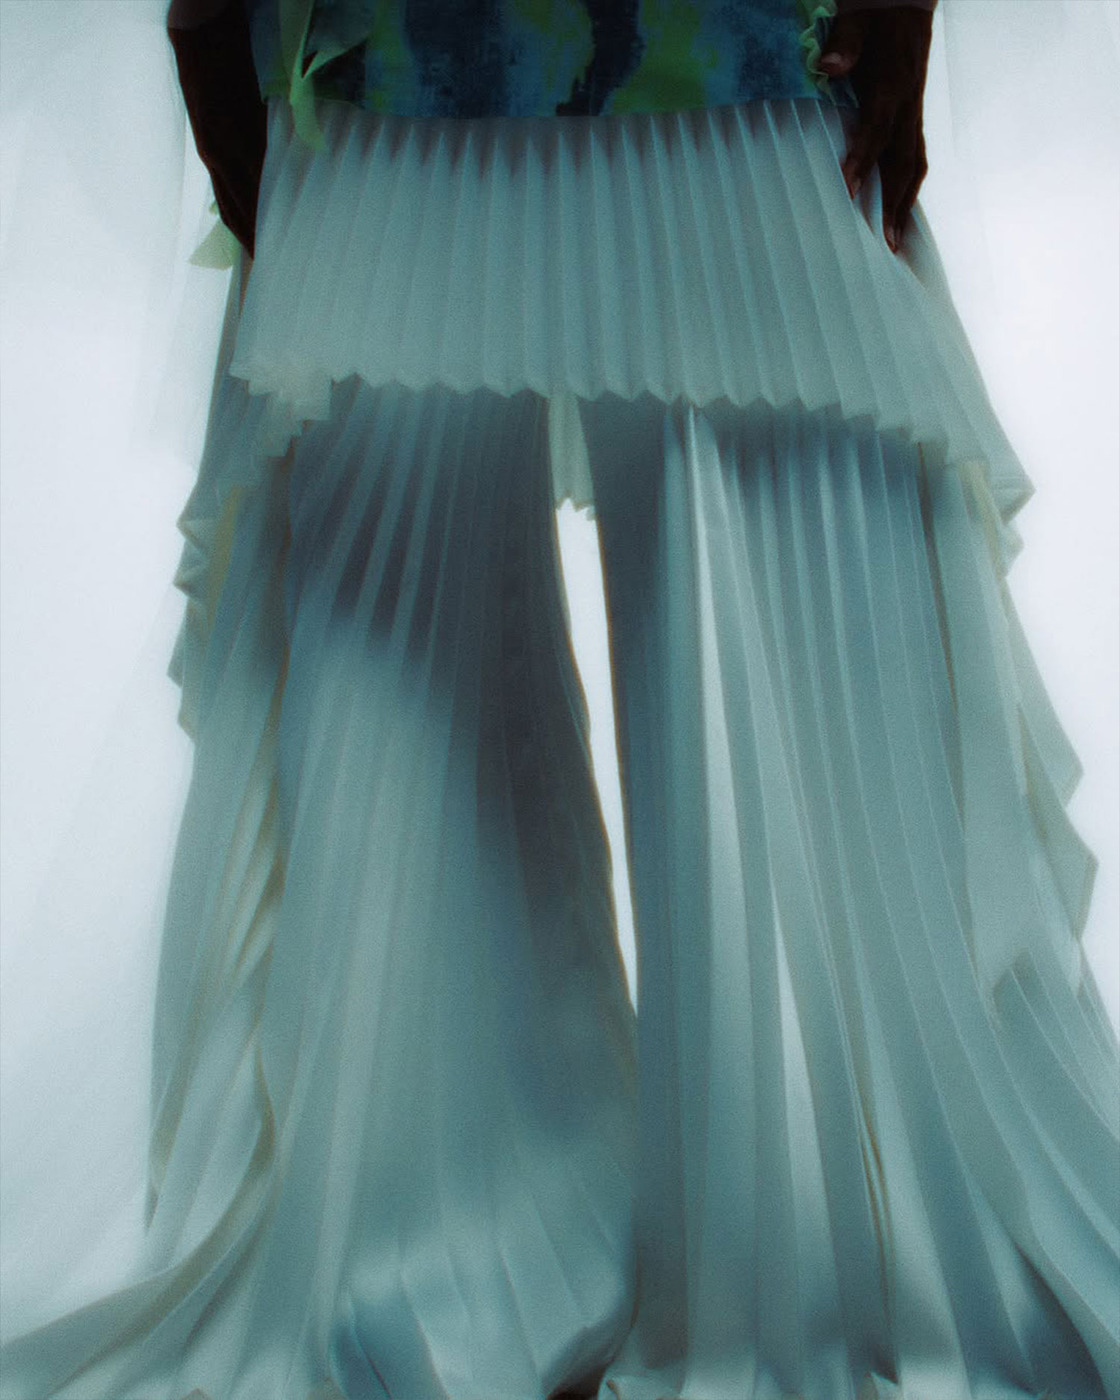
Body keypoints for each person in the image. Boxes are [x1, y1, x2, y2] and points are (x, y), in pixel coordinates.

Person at [0, 1, 1117, 1397]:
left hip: (699, 57)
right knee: (397, 708)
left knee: (833, 749)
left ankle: (537, 1246)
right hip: (419, 72)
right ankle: (460, 1240)